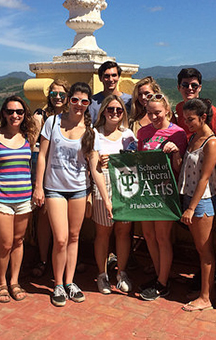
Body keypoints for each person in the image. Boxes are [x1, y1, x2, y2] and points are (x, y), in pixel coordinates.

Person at [32, 82, 112, 307]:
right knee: (60, 238)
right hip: (54, 188)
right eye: (75, 99)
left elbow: (94, 167)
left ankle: (69, 282)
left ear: (88, 104)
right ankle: (57, 284)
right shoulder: (53, 122)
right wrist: (39, 186)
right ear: (68, 100)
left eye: (84, 101)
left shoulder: (89, 131)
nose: (79, 105)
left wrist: (106, 199)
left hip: (78, 189)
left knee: (74, 237)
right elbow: (42, 156)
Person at [0, 96, 38, 303]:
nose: (15, 115)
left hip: (24, 198)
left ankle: (14, 281)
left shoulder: (28, 136)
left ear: (24, 114)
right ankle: (1, 283)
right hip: (0, 196)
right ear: (3, 113)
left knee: (18, 241)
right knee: (4, 243)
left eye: (19, 112)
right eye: (10, 111)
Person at [137, 93, 187, 301]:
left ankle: (163, 282)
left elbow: (180, 167)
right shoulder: (143, 132)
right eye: (150, 113)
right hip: (146, 191)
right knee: (148, 236)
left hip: (166, 192)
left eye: (157, 112)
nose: (154, 117)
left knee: (162, 237)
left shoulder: (178, 133)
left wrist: (175, 153)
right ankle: (160, 277)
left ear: (167, 110)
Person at [91, 95, 137, 295]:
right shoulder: (94, 134)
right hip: (104, 186)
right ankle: (102, 275)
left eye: (119, 110)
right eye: (111, 109)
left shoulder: (128, 135)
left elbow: (136, 160)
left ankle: (122, 273)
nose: (115, 113)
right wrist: (105, 198)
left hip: (126, 187)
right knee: (103, 233)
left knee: (123, 233)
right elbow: (94, 168)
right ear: (103, 111)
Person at [177, 98, 216, 312]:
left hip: (202, 202)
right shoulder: (194, 137)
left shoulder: (210, 143)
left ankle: (206, 297)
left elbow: (204, 178)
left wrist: (191, 208)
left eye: (191, 119)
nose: (187, 123)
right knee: (200, 249)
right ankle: (204, 290)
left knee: (205, 251)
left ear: (203, 117)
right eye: (185, 119)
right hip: (190, 198)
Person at [31, 79, 70, 278]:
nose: (57, 98)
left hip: (66, 174)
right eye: (54, 94)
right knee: (45, 217)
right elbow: (33, 145)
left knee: (65, 222)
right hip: (45, 172)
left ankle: (66, 259)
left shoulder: (73, 116)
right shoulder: (41, 116)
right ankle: (43, 258)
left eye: (62, 94)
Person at [173, 68, 216, 140]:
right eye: (185, 85)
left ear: (199, 88)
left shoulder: (210, 110)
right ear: (179, 87)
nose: (190, 88)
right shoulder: (179, 107)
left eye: (194, 85)